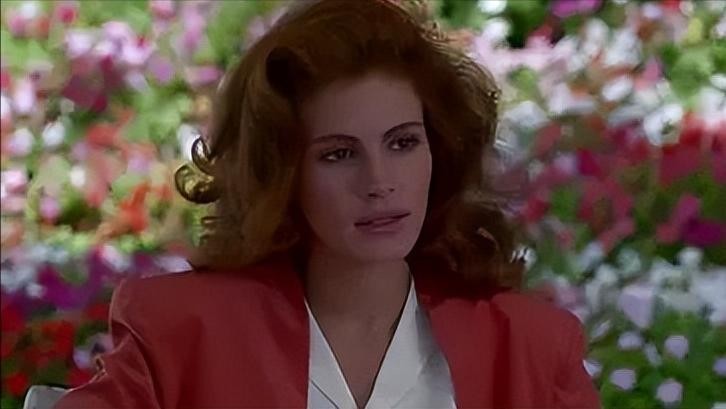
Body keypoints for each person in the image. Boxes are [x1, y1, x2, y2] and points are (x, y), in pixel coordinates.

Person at [53, 0, 601, 408]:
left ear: (439, 149)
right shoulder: (180, 333)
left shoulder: (530, 346)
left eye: (403, 143)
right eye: (339, 154)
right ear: (284, 174)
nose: (379, 182)